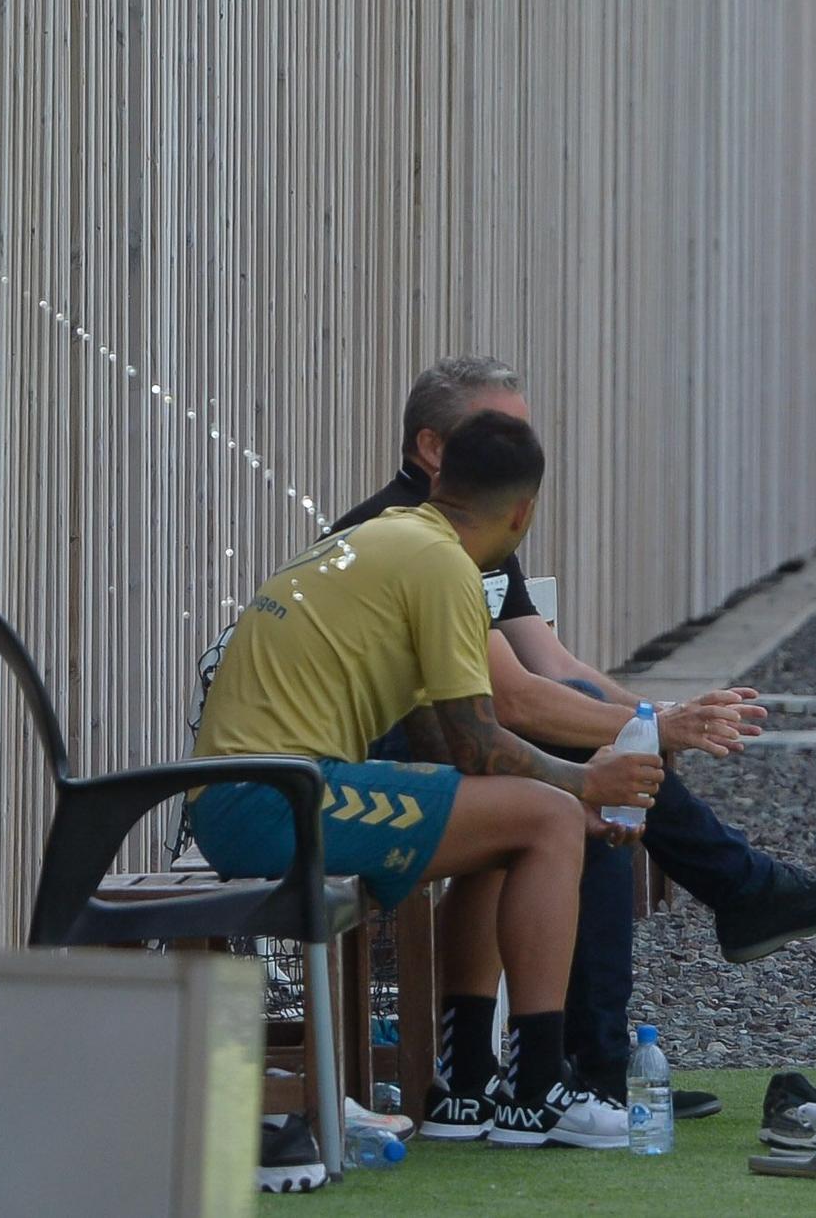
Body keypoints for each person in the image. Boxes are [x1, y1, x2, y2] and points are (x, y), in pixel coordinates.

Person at [330, 356, 816, 1102]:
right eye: (499, 430)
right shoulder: (409, 536)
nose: (523, 451)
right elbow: (515, 700)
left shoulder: (473, 522)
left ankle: (599, 1062)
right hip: (379, 758)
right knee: (577, 783)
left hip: (452, 739)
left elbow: (554, 662)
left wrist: (657, 722)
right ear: (433, 447)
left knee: (599, 763)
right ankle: (725, 913)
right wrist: (656, 728)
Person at [193, 413, 655, 1153]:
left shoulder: (390, 537)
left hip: (254, 793)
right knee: (548, 819)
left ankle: (466, 1083)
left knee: (516, 826)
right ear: (523, 512)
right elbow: (480, 740)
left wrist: (567, 795)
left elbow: (454, 754)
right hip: (271, 801)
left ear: (439, 479)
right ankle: (538, 1090)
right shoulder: (445, 568)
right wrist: (585, 786)